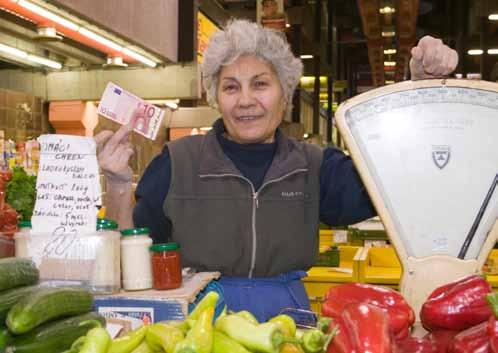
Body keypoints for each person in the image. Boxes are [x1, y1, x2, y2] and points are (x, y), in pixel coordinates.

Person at [96, 20, 458, 322]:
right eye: (231, 87)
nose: (246, 100)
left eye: (260, 84)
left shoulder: (316, 166)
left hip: (287, 325)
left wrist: (418, 90)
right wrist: (116, 185)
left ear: (284, 93)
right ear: (215, 96)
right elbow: (131, 257)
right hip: (199, 324)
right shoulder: (177, 161)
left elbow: (394, 172)